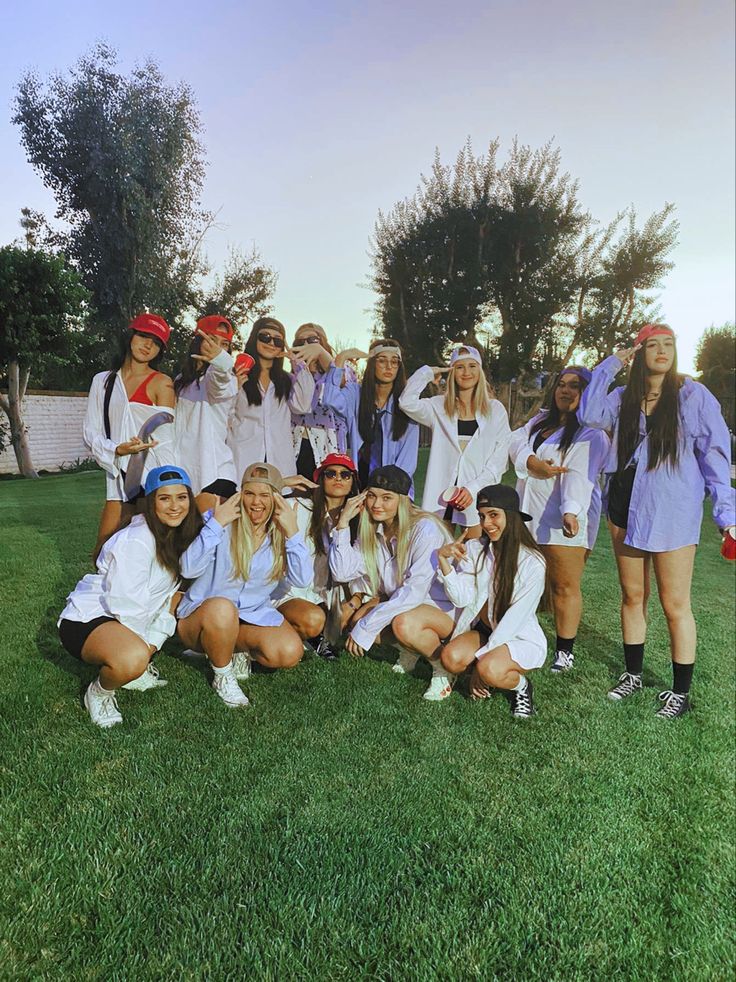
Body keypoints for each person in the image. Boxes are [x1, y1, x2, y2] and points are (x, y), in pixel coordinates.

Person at [579, 324, 735, 718]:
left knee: (674, 603)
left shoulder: (691, 394)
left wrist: (726, 512)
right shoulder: (622, 397)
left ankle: (679, 693)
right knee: (633, 596)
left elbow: (715, 454)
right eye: (652, 345)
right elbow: (588, 412)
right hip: (623, 505)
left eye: (668, 344)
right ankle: (632, 675)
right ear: (640, 352)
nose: (661, 351)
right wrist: (615, 361)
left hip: (672, 509)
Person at [58, 466, 204, 728]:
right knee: (132, 659)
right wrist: (143, 653)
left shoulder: (176, 536)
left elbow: (167, 598)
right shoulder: (137, 539)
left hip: (124, 620)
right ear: (150, 502)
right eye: (164, 498)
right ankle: (100, 693)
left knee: (188, 601)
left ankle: (134, 662)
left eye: (181, 497)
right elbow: (124, 605)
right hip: (89, 619)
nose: (175, 506)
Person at [176, 463, 312, 709]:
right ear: (241, 495)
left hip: (248, 615)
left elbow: (302, 580)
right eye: (250, 493)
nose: (256, 502)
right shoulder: (220, 520)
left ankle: (229, 649)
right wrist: (216, 524)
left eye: (264, 495)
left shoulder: (282, 531)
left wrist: (292, 532)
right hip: (201, 618)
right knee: (222, 608)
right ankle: (222, 674)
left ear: (276, 499)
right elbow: (188, 569)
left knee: (289, 652)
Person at [508, 366, 610, 672]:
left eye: (575, 386)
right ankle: (520, 636)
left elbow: (581, 474)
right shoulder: (540, 421)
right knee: (522, 579)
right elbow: (513, 441)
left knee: (564, 584)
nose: (566, 391)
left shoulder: (593, 435)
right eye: (562, 384)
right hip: (528, 512)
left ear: (589, 393)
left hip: (564, 519)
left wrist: (571, 510)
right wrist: (531, 461)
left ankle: (565, 652)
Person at [328, 465, 457, 701]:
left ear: (403, 501)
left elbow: (414, 592)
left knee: (401, 625)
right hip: (410, 604)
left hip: (444, 609)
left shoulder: (425, 529)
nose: (377, 504)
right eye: (372, 496)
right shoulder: (374, 529)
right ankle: (411, 650)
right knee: (359, 619)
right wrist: (343, 523)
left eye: (387, 498)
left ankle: (442, 668)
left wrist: (367, 628)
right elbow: (341, 572)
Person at [438, 485, 548, 719]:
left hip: (517, 635)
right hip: (486, 631)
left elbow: (514, 620)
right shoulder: (476, 548)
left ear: (511, 516)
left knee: (489, 669)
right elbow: (461, 598)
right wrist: (445, 563)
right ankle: (485, 671)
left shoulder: (532, 562)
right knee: (450, 658)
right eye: (481, 516)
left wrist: (481, 663)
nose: (486, 523)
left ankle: (521, 687)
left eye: (493, 515)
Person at [84, 313, 176, 559]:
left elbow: (166, 442)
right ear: (130, 335)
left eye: (156, 342)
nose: (148, 345)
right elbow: (90, 432)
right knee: (103, 553)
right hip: (116, 478)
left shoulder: (162, 383)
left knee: (156, 555)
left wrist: (168, 486)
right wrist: (117, 450)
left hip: (152, 480)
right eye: (144, 336)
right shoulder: (102, 381)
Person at [399, 344, 511, 535]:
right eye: (459, 367)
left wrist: (472, 489)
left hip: (476, 497)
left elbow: (499, 460)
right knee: (435, 555)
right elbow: (406, 402)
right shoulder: (438, 406)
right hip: (440, 497)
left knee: (476, 558)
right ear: (452, 372)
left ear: (480, 370)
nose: (466, 372)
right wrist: (427, 373)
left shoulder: (496, 410)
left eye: (472, 366)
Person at [275, 453, 364, 660]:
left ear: (353, 482)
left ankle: (302, 636)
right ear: (320, 480)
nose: (338, 478)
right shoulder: (298, 506)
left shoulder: (357, 517)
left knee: (344, 619)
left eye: (345, 474)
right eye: (330, 473)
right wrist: (282, 482)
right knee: (314, 619)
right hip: (289, 590)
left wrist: (355, 601)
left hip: (326, 594)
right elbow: (254, 499)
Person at [173, 315, 250, 512]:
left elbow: (219, 380)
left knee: (209, 538)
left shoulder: (220, 377)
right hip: (185, 470)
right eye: (212, 340)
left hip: (214, 472)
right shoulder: (181, 381)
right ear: (198, 340)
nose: (218, 347)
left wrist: (220, 361)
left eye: (224, 344)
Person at [321, 339, 419, 493]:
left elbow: (407, 463)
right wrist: (341, 358)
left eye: (394, 362)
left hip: (395, 491)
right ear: (372, 364)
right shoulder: (355, 394)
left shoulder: (406, 406)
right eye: (382, 361)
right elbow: (330, 400)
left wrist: (386, 493)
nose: (389, 367)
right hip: (358, 489)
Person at [226, 317, 314, 480]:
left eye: (278, 341)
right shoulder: (237, 375)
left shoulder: (287, 380)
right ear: (254, 338)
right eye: (265, 337)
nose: (271, 343)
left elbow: (302, 406)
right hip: (243, 461)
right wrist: (234, 388)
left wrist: (297, 362)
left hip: (279, 464)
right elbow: (226, 417)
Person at [287, 323, 351, 478]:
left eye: (312, 340)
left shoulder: (341, 369)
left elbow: (340, 380)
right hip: (295, 443)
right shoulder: (290, 378)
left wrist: (320, 353)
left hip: (327, 444)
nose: (306, 346)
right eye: (300, 343)